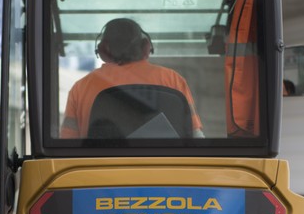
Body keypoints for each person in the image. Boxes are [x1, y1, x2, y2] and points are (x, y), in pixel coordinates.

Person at [60, 18, 204, 139]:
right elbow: (196, 137)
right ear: (146, 47)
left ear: (103, 50)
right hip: (164, 170)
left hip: (101, 171)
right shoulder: (173, 80)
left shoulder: (81, 88)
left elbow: (67, 145)